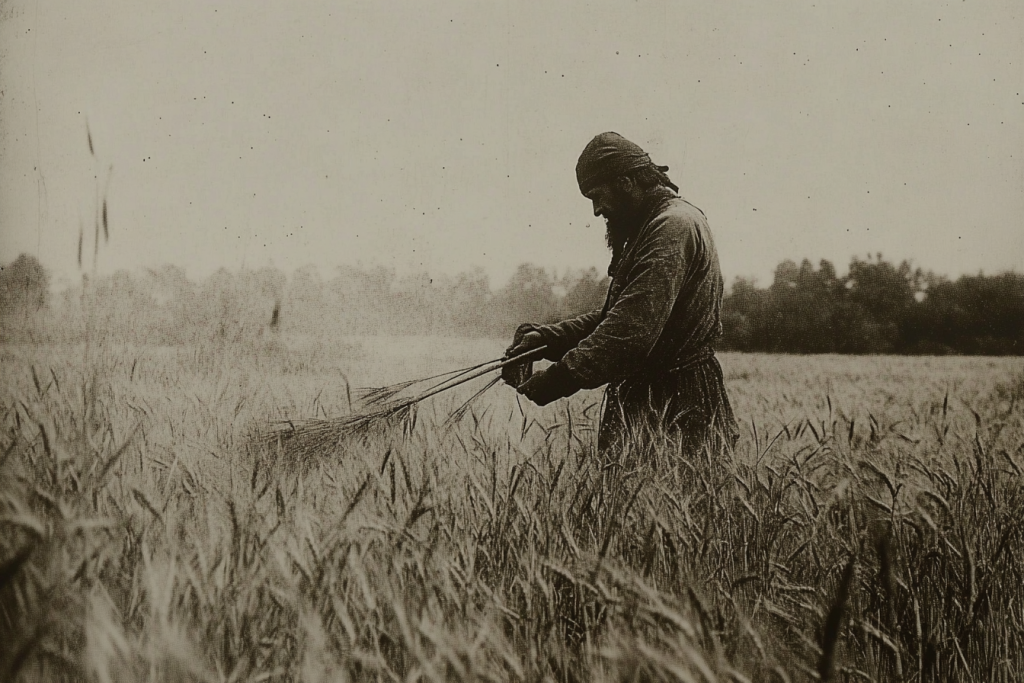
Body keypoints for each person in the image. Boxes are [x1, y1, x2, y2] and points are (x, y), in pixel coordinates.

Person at [503, 132, 740, 457]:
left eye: (597, 196)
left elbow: (629, 331)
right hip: (654, 401)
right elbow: (614, 317)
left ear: (627, 181)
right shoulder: (655, 226)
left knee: (675, 502)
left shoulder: (672, 227)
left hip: (678, 406)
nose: (597, 211)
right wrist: (546, 339)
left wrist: (558, 378)